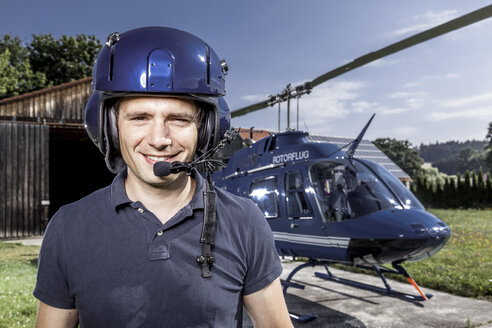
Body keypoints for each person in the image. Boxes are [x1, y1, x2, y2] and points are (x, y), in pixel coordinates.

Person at [33, 26, 293, 328]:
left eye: (179, 119)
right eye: (139, 118)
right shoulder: (68, 227)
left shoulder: (245, 221)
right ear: (110, 129)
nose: (159, 139)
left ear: (207, 130)